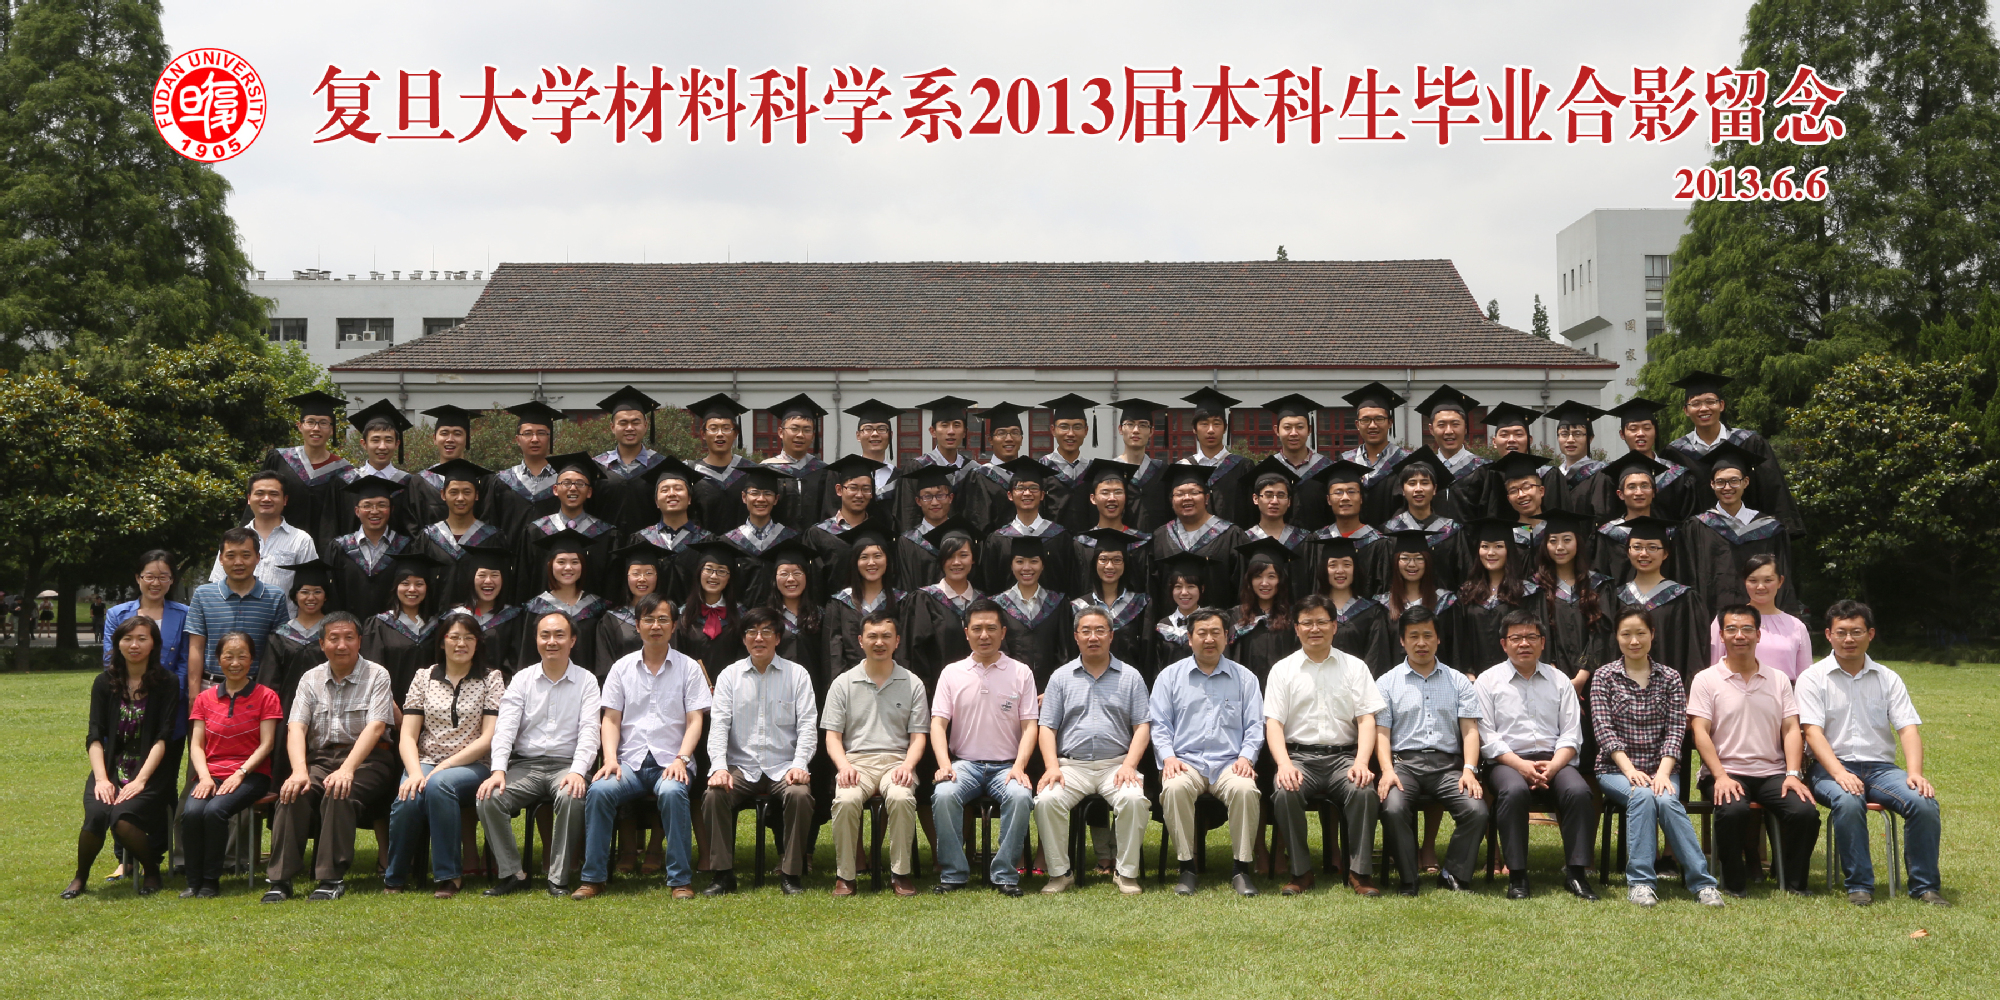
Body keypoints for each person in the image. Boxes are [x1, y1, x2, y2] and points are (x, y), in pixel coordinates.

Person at [1798, 600, 1949, 906]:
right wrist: (1839, 773)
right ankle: (1860, 885)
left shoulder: (1887, 678)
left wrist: (1915, 773)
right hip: (1830, 767)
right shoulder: (1812, 678)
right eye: (1841, 632)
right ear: (1828, 635)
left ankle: (1925, 887)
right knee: (1848, 800)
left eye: (1856, 632)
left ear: (1870, 634)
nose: (1848, 639)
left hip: (1881, 769)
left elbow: (1908, 729)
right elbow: (1812, 732)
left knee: (1923, 802)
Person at [575, 594, 713, 900]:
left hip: (672, 762)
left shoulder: (689, 668)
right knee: (599, 791)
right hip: (629, 763)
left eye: (663, 620)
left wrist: (682, 758)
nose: (655, 626)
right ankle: (593, 878)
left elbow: (695, 721)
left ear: (674, 626)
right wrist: (610, 758)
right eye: (648, 620)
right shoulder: (621, 668)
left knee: (673, 793)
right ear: (637, 625)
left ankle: (680, 880)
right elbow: (610, 719)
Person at [1590, 608, 1725, 907]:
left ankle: (1703, 884)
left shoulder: (1670, 677)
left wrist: (1663, 773)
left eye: (1641, 633)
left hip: (1662, 768)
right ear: (1617, 638)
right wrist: (1630, 771)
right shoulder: (1604, 677)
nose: (1634, 641)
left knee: (1664, 799)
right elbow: (1604, 730)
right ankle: (1641, 883)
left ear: (1652, 635)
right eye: (1626, 634)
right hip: (1615, 770)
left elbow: (1676, 731)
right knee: (1642, 795)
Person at [263, 612, 399, 902]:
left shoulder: (377, 675)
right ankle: (280, 880)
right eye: (334, 639)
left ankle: (330, 878)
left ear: (359, 641)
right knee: (293, 792)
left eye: (349, 637)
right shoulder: (310, 678)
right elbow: (296, 728)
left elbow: (376, 727)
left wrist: (348, 769)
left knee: (338, 791)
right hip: (321, 759)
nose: (342, 645)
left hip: (370, 759)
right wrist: (299, 771)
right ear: (322, 644)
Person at [1687, 604, 1821, 896]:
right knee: (1733, 811)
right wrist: (1720, 776)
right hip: (1725, 771)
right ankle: (1734, 883)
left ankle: (1794, 883)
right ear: (1721, 635)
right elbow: (1700, 732)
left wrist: (1793, 773)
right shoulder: (1706, 679)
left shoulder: (1779, 679)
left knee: (1805, 813)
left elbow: (1791, 729)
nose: (1740, 636)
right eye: (1732, 629)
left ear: (1758, 635)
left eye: (1747, 629)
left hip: (1773, 772)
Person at [1264, 595, 1385, 896]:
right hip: (1299, 758)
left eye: (1321, 622)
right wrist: (1284, 765)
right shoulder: (1282, 670)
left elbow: (1366, 720)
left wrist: (1361, 762)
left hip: (1343, 758)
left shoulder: (1355, 667)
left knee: (1363, 790)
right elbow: (1274, 723)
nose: (1314, 629)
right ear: (1296, 628)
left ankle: (1360, 872)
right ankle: (1301, 872)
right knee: (1285, 791)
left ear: (1334, 626)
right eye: (1307, 623)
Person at [477, 610, 601, 897]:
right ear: (536, 640)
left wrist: (578, 771)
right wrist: (498, 770)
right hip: (526, 766)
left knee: (572, 795)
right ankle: (513, 874)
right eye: (545, 635)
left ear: (573, 640)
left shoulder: (586, 681)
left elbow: (589, 732)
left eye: (559, 635)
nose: (551, 641)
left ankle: (558, 877)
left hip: (567, 765)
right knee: (489, 797)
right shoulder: (522, 679)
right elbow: (505, 728)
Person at [1476, 611, 1599, 901]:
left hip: (1554, 759)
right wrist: (1520, 765)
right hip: (1507, 761)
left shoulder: (1559, 680)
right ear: (1504, 644)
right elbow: (1487, 736)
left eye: (1531, 637)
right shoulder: (1488, 681)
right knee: (1513, 791)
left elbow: (1571, 734)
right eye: (1516, 638)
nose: (1524, 644)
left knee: (1579, 791)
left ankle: (1577, 873)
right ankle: (1518, 876)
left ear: (1542, 642)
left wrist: (1554, 766)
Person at [383, 612, 504, 898]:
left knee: (440, 785)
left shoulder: (491, 679)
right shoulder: (424, 677)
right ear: (442, 642)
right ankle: (395, 876)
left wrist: (445, 766)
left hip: (473, 764)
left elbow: (488, 738)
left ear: (478, 643)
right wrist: (414, 773)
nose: (461, 644)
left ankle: (449, 876)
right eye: (454, 637)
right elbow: (408, 736)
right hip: (425, 761)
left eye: (469, 638)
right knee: (408, 797)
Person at [1033, 607, 1152, 895]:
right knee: (1046, 801)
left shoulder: (1130, 677)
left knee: (1134, 800)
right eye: (1085, 631)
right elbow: (1047, 728)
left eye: (1100, 631)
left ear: (1111, 635)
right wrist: (1052, 767)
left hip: (1116, 766)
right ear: (1076, 637)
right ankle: (1060, 873)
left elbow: (1142, 727)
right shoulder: (1061, 677)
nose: (1093, 637)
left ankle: (1126, 873)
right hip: (1071, 767)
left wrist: (1129, 765)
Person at [700, 606, 818, 895]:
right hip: (742, 767)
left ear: (778, 638)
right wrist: (719, 768)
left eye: (766, 631)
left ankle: (791, 873)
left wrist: (800, 764)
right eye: (752, 632)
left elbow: (807, 726)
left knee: (800, 795)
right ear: (744, 639)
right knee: (714, 795)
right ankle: (723, 874)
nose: (759, 637)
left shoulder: (797, 675)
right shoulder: (729, 676)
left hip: (784, 766)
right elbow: (719, 726)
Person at [1373, 606, 1488, 895]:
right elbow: (1382, 733)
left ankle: (1453, 874)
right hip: (1404, 765)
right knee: (1393, 807)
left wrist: (1469, 770)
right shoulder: (1387, 682)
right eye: (1414, 636)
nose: (1421, 643)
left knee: (1476, 810)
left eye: (1428, 635)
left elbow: (1470, 730)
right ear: (1402, 640)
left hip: (1448, 767)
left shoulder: (1458, 681)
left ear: (1438, 639)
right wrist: (1387, 770)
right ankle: (1408, 878)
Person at [928, 598, 1039, 895]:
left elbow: (1030, 726)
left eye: (991, 628)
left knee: (1020, 796)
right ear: (966, 633)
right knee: (944, 794)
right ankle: (954, 873)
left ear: (1003, 632)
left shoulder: (1021, 672)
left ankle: (1004, 874)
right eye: (977, 629)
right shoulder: (952, 673)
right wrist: (944, 765)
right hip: (965, 765)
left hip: (1006, 767)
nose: (984, 635)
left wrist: (1019, 767)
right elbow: (938, 724)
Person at [1152, 607, 1265, 896]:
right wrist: (1168, 757)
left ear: (1227, 637)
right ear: (1189, 638)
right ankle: (1187, 867)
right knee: (1174, 788)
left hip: (1230, 762)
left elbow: (1255, 726)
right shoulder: (1169, 677)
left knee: (1245, 790)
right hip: (1185, 761)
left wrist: (1246, 757)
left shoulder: (1245, 678)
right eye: (1202, 633)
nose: (1209, 639)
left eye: (1216, 632)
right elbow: (1159, 725)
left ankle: (1241, 868)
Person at [64, 616, 178, 899]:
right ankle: (80, 877)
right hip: (111, 766)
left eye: (142, 638)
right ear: (117, 644)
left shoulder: (167, 682)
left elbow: (163, 737)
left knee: (122, 819)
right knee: (96, 814)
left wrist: (140, 781)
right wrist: (102, 779)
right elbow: (94, 735)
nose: (134, 645)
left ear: (153, 644)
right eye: (127, 639)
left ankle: (151, 870)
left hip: (150, 770)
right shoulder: (104, 682)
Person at [822, 611, 930, 896]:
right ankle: (846, 876)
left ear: (897, 641)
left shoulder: (912, 683)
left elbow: (918, 737)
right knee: (845, 800)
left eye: (886, 636)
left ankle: (900, 873)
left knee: (902, 797)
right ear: (861, 641)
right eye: (872, 636)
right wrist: (843, 766)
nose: (879, 642)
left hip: (897, 761)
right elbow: (832, 737)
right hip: (856, 762)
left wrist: (908, 765)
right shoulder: (843, 683)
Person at [179, 631, 283, 898]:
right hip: (210, 774)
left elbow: (267, 744)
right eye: (228, 656)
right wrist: (204, 777)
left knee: (215, 811)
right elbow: (196, 745)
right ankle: (193, 881)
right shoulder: (204, 698)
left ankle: (210, 880)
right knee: (191, 813)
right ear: (218, 659)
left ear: (252, 659)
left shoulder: (266, 696)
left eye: (242, 656)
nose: (235, 663)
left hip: (251, 774)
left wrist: (240, 773)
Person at [1665, 371, 1802, 535]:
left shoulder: (1750, 443)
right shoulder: (1676, 453)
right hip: (1700, 540)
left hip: (1751, 536)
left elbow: (1773, 491)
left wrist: (1779, 534)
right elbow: (1672, 503)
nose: (1704, 408)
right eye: (1695, 403)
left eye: (1710, 401)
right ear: (1686, 410)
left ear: (1721, 405)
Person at [1680, 441, 1803, 615]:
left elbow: (1783, 580)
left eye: (1734, 481)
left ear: (1745, 482)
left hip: (1762, 619)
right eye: (1720, 482)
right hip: (1713, 619)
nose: (1727, 487)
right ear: (1712, 484)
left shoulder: (1769, 528)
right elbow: (1690, 578)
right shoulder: (1697, 527)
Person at [187, 527, 290, 709]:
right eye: (231, 555)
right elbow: (196, 647)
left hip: (257, 690)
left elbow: (278, 651)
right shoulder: (203, 595)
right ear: (221, 559)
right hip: (211, 687)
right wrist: (194, 695)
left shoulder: (275, 597)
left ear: (257, 558)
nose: (238, 562)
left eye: (246, 555)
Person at [1604, 516, 1711, 684]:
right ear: (1628, 551)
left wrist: (1690, 690)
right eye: (1637, 547)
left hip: (1670, 691)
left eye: (1652, 547)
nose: (1644, 553)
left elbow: (1695, 651)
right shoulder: (1615, 597)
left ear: (1666, 553)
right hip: (1623, 690)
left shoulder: (1684, 597)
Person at [259, 559, 332, 783]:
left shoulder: (333, 633)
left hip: (328, 707)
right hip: (287, 709)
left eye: (317, 592)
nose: (311, 598)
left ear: (326, 596)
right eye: (304, 592)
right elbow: (269, 681)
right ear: (295, 595)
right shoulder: (281, 635)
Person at [259, 390, 355, 551]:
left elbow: (346, 520)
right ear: (300, 426)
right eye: (310, 422)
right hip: (278, 548)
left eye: (323, 423)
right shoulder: (280, 459)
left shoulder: (344, 471)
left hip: (322, 555)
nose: (316, 428)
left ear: (332, 429)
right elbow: (258, 502)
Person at [1147, 463, 1248, 611]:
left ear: (1206, 498)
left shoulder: (1231, 535)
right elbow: (1153, 590)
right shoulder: (1161, 537)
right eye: (1179, 494)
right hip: (1170, 624)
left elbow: (1243, 589)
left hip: (1219, 622)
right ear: (1171, 501)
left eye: (1194, 492)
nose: (1187, 498)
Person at [518, 453, 619, 601]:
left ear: (589, 492)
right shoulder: (535, 532)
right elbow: (523, 582)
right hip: (543, 613)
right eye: (566, 483)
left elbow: (611, 587)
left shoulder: (606, 534)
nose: (573, 488)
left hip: (592, 614)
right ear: (555, 489)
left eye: (580, 484)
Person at [211, 471, 321, 606]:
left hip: (285, 618)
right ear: (249, 499)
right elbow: (217, 584)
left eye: (274, 494)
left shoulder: (301, 540)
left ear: (285, 500)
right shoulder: (232, 539)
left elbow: (311, 587)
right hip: (237, 616)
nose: (266, 499)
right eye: (260, 493)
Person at [1452, 517, 1542, 679]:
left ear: (1509, 550)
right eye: (1485, 546)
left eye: (1498, 546)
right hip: (1474, 680)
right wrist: (1468, 675)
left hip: (1519, 678)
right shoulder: (1467, 593)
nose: (1491, 552)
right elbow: (1460, 640)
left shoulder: (1525, 592)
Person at [1584, 398, 1695, 524]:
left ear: (1655, 432)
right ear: (1622, 434)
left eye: (1647, 428)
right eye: (1633, 428)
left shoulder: (1677, 475)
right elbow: (1604, 517)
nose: (1641, 433)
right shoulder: (1609, 476)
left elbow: (1688, 521)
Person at [516, 528, 611, 673]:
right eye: (561, 562)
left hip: (588, 683)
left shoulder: (597, 608)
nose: (568, 568)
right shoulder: (537, 607)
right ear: (550, 565)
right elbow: (527, 657)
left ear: (582, 566)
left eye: (575, 562)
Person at [1537, 509, 1613, 690]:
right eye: (1553, 541)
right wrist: (1555, 674)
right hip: (1549, 680)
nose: (1560, 547)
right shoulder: (1537, 588)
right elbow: (1537, 633)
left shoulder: (1598, 585)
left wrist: (1582, 676)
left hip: (1594, 681)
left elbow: (1602, 633)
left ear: (1578, 542)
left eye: (1567, 540)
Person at [1707, 554, 1813, 680]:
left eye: (1768, 580)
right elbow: (1713, 668)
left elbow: (1805, 677)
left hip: (1783, 692)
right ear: (1744, 582)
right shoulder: (1726, 620)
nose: (1760, 587)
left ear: (1780, 581)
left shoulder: (1796, 626)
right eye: (1753, 581)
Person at [412, 459, 500, 609]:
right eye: (453, 492)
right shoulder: (428, 537)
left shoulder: (492, 537)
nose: (460, 498)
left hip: (479, 619)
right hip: (435, 618)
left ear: (476, 495)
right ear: (443, 494)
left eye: (467, 492)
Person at [979, 457, 1073, 597]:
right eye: (1020, 488)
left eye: (1033, 488)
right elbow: (990, 585)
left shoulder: (1060, 537)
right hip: (1007, 610)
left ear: (1042, 495)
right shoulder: (998, 539)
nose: (1027, 493)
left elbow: (1069, 583)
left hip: (1053, 610)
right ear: (1010, 495)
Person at [323, 476, 415, 619]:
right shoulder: (340, 547)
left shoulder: (406, 547)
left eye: (382, 505)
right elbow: (331, 595)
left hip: (393, 628)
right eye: (367, 505)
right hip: (348, 628)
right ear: (357, 511)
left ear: (391, 509)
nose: (374, 511)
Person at [905, 523, 982, 686]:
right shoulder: (925, 600)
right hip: (937, 690)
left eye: (963, 555)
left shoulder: (983, 603)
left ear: (973, 558)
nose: (956, 562)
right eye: (949, 556)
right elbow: (915, 652)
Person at [361, 552, 444, 703]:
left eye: (419, 584)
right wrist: (391, 708)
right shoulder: (379, 625)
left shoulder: (438, 626)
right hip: (388, 706)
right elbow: (372, 671)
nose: (412, 589)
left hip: (432, 706)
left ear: (427, 588)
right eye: (405, 583)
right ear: (396, 587)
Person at [480, 400, 566, 545]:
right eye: (527, 433)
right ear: (518, 439)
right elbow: (490, 526)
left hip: (553, 556)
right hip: (511, 557)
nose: (535, 439)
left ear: (550, 438)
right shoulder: (502, 481)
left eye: (541, 433)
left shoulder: (563, 481)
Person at [991, 534, 1072, 685]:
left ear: (1043, 565)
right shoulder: (998, 605)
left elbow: (1065, 652)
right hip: (1010, 687)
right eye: (1019, 561)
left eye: (1034, 561)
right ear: (1011, 565)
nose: (1026, 568)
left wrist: (1053, 689)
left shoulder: (1058, 603)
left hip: (1050, 689)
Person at [822, 526, 908, 671]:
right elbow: (833, 654)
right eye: (864, 557)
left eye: (877, 556)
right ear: (855, 562)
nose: (871, 562)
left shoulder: (902, 601)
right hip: (850, 682)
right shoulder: (840, 603)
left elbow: (905, 651)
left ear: (887, 560)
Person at [630, 457, 718, 596]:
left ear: (689, 499)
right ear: (656, 502)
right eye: (664, 490)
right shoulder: (642, 539)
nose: (671, 494)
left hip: (693, 609)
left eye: (678, 489)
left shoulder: (706, 540)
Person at [802, 455, 886, 596]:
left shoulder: (879, 532)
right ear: (839, 490)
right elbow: (813, 584)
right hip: (831, 608)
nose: (859, 495)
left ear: (872, 493)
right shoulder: (818, 534)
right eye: (853, 488)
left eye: (866, 489)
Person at [894, 395, 979, 533]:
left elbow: (978, 514)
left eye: (957, 425)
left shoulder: (974, 470)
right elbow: (908, 513)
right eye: (944, 425)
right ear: (933, 432)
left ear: (964, 432)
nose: (951, 431)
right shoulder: (917, 467)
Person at [723, 463, 802, 609]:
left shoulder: (791, 539)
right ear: (744, 497)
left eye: (767, 493)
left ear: (776, 499)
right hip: (740, 618)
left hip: (781, 616)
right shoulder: (729, 542)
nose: (761, 499)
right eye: (754, 493)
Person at [1379, 449, 1463, 586]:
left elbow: (1462, 574)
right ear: (1403, 490)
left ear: (1434, 489)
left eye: (1425, 483)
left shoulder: (1451, 530)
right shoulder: (1390, 530)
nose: (1418, 489)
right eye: (1412, 483)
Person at [1072, 527, 1152, 670]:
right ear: (1095, 563)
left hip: (1128, 680)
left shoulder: (1140, 604)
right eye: (1103, 559)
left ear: (1125, 564)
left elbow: (1146, 654)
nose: (1109, 566)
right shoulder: (1078, 607)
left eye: (1117, 560)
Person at [591, 386, 668, 533]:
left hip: (649, 544)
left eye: (636, 422)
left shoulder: (661, 465)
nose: (630, 428)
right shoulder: (597, 466)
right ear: (612, 427)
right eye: (623, 423)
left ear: (645, 426)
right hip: (605, 544)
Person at [1309, 460, 1391, 598]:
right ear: (1328, 500)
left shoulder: (1378, 543)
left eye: (1351, 492)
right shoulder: (1317, 541)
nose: (1345, 498)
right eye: (1338, 492)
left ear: (1361, 498)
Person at [1315, 537, 1396, 677]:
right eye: (1333, 565)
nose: (1340, 570)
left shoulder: (1371, 612)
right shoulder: (1312, 610)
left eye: (1347, 564)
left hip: (1358, 686)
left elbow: (1376, 660)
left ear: (1355, 568)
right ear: (1324, 569)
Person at [594, 538, 673, 680]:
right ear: (627, 577)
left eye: (649, 573)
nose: (642, 579)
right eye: (636, 573)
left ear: (657, 577)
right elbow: (605, 667)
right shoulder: (611, 620)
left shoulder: (669, 617)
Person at [1067, 461, 1150, 597]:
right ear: (1093, 499)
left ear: (1126, 497)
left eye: (1118, 492)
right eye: (1105, 492)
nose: (1112, 498)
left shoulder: (1140, 543)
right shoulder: (1081, 544)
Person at [341, 399, 422, 538]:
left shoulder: (409, 484)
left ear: (397, 444)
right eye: (375, 440)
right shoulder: (346, 482)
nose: (382, 446)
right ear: (364, 444)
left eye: (388, 440)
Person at [1176, 387, 1253, 526]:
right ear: (1194, 428)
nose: (1211, 430)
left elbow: (1252, 513)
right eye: (1204, 424)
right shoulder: (1182, 468)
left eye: (1216, 424)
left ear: (1225, 428)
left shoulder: (1243, 467)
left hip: (1234, 538)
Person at [445, 544, 525, 677]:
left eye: (495, 575)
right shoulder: (453, 617)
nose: (488, 581)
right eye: (482, 575)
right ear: (472, 578)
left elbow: (515, 663)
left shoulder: (513, 618)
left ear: (503, 579)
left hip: (499, 686)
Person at [1592, 451, 1671, 582]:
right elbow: (1600, 577)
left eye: (1644, 486)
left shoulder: (1668, 532)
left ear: (1654, 492)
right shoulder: (1608, 533)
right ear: (1621, 494)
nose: (1638, 492)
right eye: (1631, 487)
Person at [1229, 536, 1300, 681]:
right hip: (1245, 689)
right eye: (1258, 576)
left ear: (1280, 580)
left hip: (1283, 688)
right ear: (1250, 581)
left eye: (1271, 576)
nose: (1264, 583)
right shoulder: (1235, 616)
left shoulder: (1292, 617)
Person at [1260, 393, 1335, 531]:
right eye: (1287, 427)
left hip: (1318, 541)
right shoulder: (1266, 469)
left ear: (1309, 430)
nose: (1294, 433)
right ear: (1276, 430)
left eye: (1300, 427)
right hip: (1276, 542)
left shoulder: (1327, 468)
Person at [1340, 382, 1411, 525]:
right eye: (1365, 420)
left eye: (1379, 419)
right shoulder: (1346, 461)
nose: (1372, 425)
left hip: (1395, 535)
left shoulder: (1406, 461)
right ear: (1357, 424)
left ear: (1390, 423)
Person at [684, 393, 756, 533]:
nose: (720, 434)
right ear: (703, 434)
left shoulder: (750, 471)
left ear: (735, 434)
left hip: (744, 545)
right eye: (713, 428)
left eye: (726, 428)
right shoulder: (691, 472)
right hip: (703, 545)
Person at [1413, 385, 1490, 511]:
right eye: (1441, 425)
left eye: (1455, 424)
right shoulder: (1423, 469)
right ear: (1431, 429)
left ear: (1465, 428)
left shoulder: (1484, 470)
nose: (1449, 431)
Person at [676, 541, 746, 678]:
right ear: (699, 573)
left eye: (722, 571)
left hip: (731, 686)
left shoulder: (741, 615)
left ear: (729, 578)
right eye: (708, 569)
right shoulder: (683, 615)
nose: (714, 576)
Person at [408, 404, 482, 528]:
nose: (450, 439)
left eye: (457, 433)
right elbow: (413, 527)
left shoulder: (483, 480)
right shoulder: (420, 482)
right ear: (434, 439)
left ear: (467, 439)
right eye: (444, 433)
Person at [1242, 458, 1314, 586]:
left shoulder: (1304, 540)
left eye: (1281, 495)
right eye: (1268, 495)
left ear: (1289, 501)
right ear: (1255, 499)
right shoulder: (1244, 539)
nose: (1274, 501)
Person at [1039, 392, 1101, 532]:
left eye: (1077, 427)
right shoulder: (1041, 468)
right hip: (1051, 542)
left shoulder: (1094, 470)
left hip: (1087, 542)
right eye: (1064, 427)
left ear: (1086, 431)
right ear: (1053, 430)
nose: (1071, 433)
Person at [1147, 552, 1212, 679]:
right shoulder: (1163, 626)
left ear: (1202, 589)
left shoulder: (1211, 623)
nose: (1184, 592)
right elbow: (1157, 668)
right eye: (1178, 587)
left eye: (1191, 586)